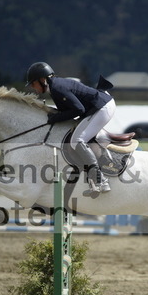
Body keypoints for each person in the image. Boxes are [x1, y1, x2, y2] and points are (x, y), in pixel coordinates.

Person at [26, 61, 115, 195]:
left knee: (77, 140)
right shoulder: (55, 86)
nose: (34, 88)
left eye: (34, 84)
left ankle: (100, 180)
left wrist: (54, 118)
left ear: (43, 80)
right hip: (99, 106)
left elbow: (78, 109)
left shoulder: (57, 88)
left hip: (102, 107)